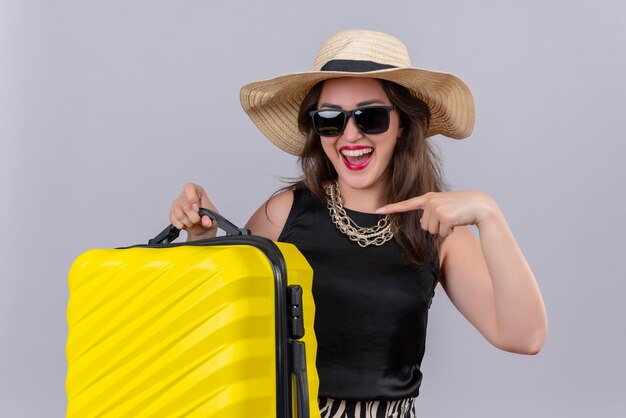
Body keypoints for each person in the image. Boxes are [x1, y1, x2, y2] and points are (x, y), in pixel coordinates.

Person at [168, 29, 548, 418]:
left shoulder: (437, 231)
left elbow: (524, 336)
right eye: (331, 119)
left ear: (403, 124)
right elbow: (208, 325)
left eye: (371, 116)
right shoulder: (283, 214)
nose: (350, 135)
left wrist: (490, 215)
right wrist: (202, 238)